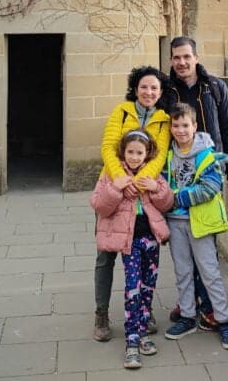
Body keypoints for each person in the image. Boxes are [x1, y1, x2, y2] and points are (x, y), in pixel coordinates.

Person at [164, 36, 228, 335]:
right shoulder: (167, 90)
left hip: (209, 177)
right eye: (176, 57)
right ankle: (198, 306)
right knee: (185, 254)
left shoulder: (215, 88)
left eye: (187, 56)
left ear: (196, 57)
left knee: (206, 248)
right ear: (171, 59)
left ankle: (210, 309)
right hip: (177, 176)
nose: (182, 62)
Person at [93, 66, 172, 343]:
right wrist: (121, 180)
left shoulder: (164, 121)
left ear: (160, 92)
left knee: (141, 258)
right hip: (115, 190)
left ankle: (143, 310)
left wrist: (139, 183)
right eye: (144, 87)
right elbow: (108, 147)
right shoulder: (122, 112)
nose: (148, 92)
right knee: (106, 254)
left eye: (154, 88)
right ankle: (101, 313)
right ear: (135, 89)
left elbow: (158, 156)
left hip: (143, 196)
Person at [90, 130, 174, 369]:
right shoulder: (111, 174)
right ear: (122, 153)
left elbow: (167, 203)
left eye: (139, 153)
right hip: (129, 243)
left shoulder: (153, 175)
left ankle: (144, 331)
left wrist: (156, 189)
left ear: (147, 154)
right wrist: (116, 188)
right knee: (133, 289)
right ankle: (132, 342)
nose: (135, 157)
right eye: (130, 152)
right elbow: (98, 205)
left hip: (151, 239)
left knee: (148, 288)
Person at [162, 103, 228, 350]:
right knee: (183, 271)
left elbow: (210, 187)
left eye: (185, 125)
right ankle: (187, 316)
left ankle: (222, 319)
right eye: (176, 125)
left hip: (200, 223)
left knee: (210, 273)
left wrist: (175, 198)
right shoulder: (169, 154)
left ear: (194, 126)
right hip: (176, 223)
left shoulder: (207, 154)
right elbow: (163, 183)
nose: (181, 130)